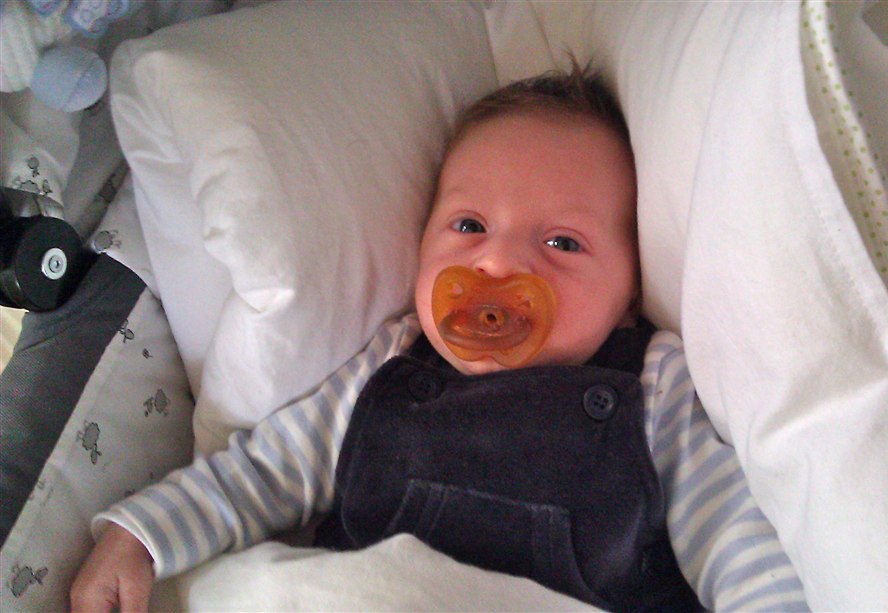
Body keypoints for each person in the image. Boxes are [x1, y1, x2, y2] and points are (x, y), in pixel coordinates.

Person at [71, 63, 807, 612]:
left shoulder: (651, 383)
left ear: (627, 299)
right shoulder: (388, 366)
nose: (498, 263)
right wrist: (142, 537)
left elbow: (732, 535)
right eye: (470, 226)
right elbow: (260, 472)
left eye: (562, 242)